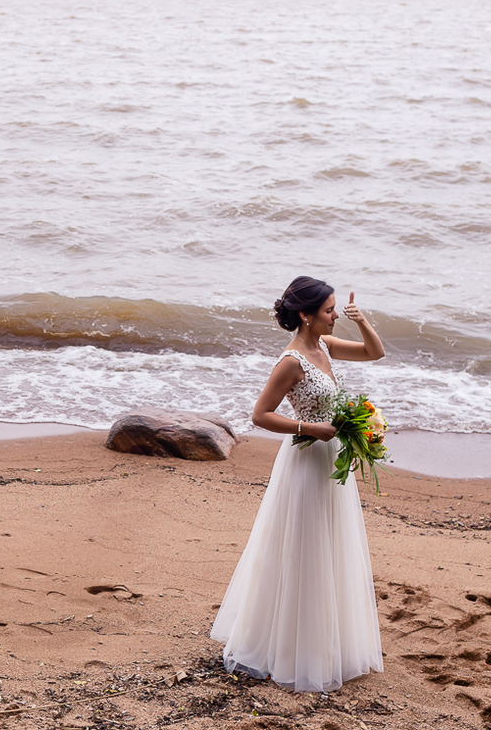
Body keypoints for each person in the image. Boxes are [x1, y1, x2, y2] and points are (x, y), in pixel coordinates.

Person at [210, 276, 385, 692]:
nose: (335, 315)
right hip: (307, 459)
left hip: (330, 458)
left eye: (337, 308)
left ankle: (326, 645)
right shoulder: (291, 361)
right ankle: (288, 648)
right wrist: (311, 426)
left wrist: (362, 321)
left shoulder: (323, 347)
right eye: (329, 310)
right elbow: (260, 415)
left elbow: (375, 353)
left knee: (329, 547)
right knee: (303, 549)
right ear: (306, 315)